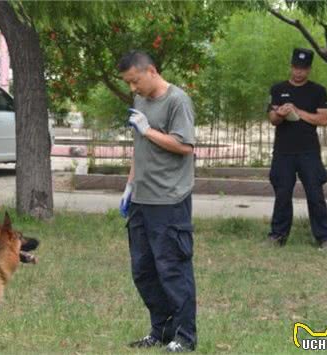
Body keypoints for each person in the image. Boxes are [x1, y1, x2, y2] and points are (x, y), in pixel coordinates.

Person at [118, 50, 197, 352]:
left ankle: (186, 337)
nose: (132, 89)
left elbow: (184, 145)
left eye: (135, 81)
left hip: (169, 201)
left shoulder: (177, 101)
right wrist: (129, 185)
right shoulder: (140, 100)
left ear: (151, 71)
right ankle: (162, 330)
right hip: (142, 199)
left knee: (172, 270)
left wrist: (148, 130)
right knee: (144, 270)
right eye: (128, 83)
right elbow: (140, 148)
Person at [267, 48, 327, 250]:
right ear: (291, 66)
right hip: (283, 152)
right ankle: (277, 235)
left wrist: (298, 111)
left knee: (315, 195)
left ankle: (324, 237)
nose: (299, 72)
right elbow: (272, 119)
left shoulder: (318, 91)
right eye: (296, 68)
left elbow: (323, 119)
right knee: (282, 195)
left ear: (309, 70)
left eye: (303, 69)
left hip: (309, 152)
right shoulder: (277, 89)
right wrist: (280, 112)